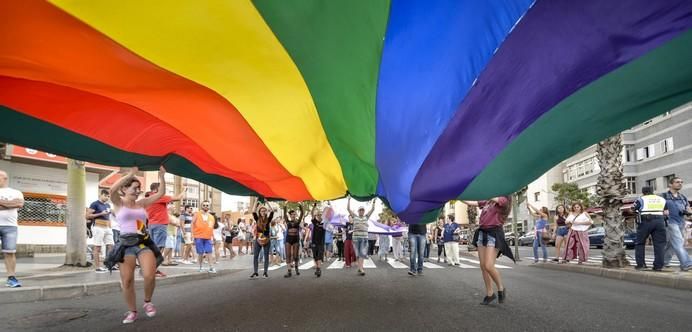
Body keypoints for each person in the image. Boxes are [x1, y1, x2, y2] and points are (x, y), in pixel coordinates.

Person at [109, 166, 166, 324]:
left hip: (142, 242)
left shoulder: (141, 203)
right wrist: (131, 174)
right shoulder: (118, 203)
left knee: (149, 274)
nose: (137, 191)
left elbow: (160, 193)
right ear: (125, 189)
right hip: (125, 244)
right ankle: (132, 311)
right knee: (127, 280)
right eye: (134, 188)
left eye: (139, 188)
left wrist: (161, 176)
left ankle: (147, 302)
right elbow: (112, 189)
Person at [464, 197, 514, 305]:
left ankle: (501, 287)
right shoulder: (487, 201)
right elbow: (471, 202)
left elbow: (496, 198)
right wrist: (456, 196)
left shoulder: (504, 199)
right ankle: (489, 293)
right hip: (482, 232)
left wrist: (488, 190)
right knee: (483, 266)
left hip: (494, 233)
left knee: (488, 265)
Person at [144, 183, 184, 278]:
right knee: (159, 248)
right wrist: (184, 190)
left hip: (151, 225)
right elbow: (178, 198)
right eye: (161, 188)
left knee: (154, 248)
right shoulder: (159, 197)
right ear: (155, 190)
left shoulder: (148, 198)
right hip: (160, 225)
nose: (163, 190)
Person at [632, 186, 667, 271]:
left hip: (646, 221)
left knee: (640, 243)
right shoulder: (661, 199)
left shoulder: (641, 199)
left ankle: (641, 265)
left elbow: (634, 209)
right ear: (652, 191)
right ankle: (658, 266)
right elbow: (666, 212)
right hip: (660, 221)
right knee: (660, 244)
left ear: (643, 192)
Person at [661, 177, 692, 271]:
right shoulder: (663, 196)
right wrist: (662, 212)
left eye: (681, 182)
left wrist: (689, 212)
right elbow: (657, 209)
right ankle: (686, 263)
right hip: (670, 222)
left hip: (681, 222)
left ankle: (663, 262)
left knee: (671, 245)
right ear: (670, 184)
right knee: (678, 242)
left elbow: (688, 209)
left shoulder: (683, 197)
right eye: (677, 182)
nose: (680, 184)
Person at [0, 169, 24, 288]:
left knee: (10, 253)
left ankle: (11, 278)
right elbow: (14, 205)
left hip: (10, 227)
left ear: (5, 178)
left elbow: (19, 204)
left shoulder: (16, 192)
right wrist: (9, 204)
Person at [86, 189, 114, 273]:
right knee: (98, 247)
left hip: (107, 227)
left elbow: (109, 217)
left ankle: (109, 264)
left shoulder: (108, 205)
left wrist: (110, 226)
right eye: (105, 196)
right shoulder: (95, 204)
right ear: (101, 195)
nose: (107, 198)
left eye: (108, 196)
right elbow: (87, 216)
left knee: (111, 246)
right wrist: (100, 214)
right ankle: (97, 267)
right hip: (98, 227)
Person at [347, 197, 376, 276]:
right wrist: (349, 200)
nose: (361, 211)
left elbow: (372, 209)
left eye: (363, 210)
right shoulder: (355, 217)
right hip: (356, 238)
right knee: (358, 253)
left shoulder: (366, 217)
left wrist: (373, 202)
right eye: (360, 210)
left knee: (362, 253)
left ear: (364, 211)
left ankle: (361, 268)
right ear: (358, 211)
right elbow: (348, 209)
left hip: (364, 238)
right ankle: (360, 267)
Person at [250, 201, 274, 279]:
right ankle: (256, 272)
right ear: (259, 212)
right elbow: (253, 211)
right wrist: (256, 201)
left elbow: (272, 210)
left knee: (266, 256)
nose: (263, 212)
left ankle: (265, 273)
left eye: (264, 211)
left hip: (266, 239)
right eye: (261, 211)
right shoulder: (257, 219)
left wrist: (267, 202)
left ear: (266, 212)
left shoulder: (268, 219)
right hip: (258, 240)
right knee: (255, 256)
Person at [193, 201, 216, 273]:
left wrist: (213, 236)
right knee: (200, 253)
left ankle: (211, 267)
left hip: (208, 237)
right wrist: (192, 235)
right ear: (201, 206)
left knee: (209, 252)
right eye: (204, 205)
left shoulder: (211, 217)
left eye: (207, 205)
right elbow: (192, 224)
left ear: (209, 206)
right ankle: (200, 267)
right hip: (198, 236)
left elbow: (211, 227)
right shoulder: (197, 214)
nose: (206, 206)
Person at [283, 204, 303, 278]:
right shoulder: (287, 221)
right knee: (288, 255)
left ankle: (296, 267)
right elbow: (284, 214)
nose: (294, 215)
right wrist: (285, 206)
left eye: (294, 214)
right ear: (290, 215)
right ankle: (289, 271)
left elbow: (302, 213)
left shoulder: (298, 222)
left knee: (295, 256)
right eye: (292, 214)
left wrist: (300, 206)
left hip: (296, 239)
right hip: (288, 239)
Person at [309, 204, 326, 277]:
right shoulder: (315, 222)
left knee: (319, 256)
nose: (319, 216)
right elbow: (311, 214)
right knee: (315, 256)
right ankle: (317, 268)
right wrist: (314, 207)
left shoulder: (325, 223)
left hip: (321, 243)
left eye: (321, 215)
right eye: (318, 215)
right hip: (314, 242)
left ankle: (318, 269)